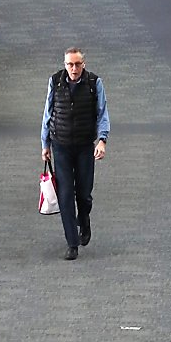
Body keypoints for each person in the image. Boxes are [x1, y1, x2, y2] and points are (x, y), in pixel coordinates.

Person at [41, 45, 111, 261]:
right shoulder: (55, 81)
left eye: (77, 64)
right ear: (64, 65)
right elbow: (47, 112)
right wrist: (45, 145)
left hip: (83, 146)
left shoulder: (94, 83)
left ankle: (85, 218)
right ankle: (72, 243)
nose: (74, 68)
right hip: (60, 145)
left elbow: (102, 113)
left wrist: (102, 140)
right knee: (65, 195)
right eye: (70, 64)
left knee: (83, 193)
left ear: (84, 64)